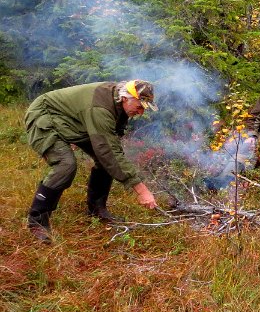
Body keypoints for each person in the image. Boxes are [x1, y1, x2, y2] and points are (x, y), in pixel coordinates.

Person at [24, 80, 160, 243]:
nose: (140, 112)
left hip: (71, 119)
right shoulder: (101, 108)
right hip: (44, 116)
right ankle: (37, 221)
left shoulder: (118, 100)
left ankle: (97, 210)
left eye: (144, 108)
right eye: (139, 107)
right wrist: (141, 190)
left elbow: (110, 145)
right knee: (66, 165)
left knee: (105, 162)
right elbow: (109, 153)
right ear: (126, 98)